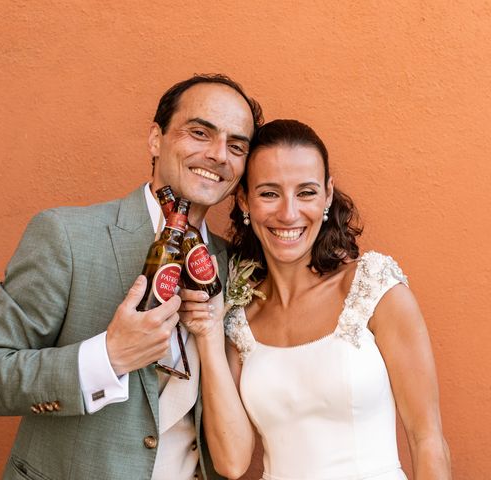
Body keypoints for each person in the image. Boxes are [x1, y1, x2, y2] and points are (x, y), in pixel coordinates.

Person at [0, 74, 263, 480]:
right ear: (156, 139)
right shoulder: (66, 235)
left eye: (236, 146)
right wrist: (108, 356)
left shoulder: (233, 264)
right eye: (200, 133)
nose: (219, 154)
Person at [179, 119, 451, 479]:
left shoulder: (374, 288)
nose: (289, 213)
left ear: (327, 193)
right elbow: (232, 462)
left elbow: (427, 438)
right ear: (244, 199)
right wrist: (209, 337)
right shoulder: (238, 317)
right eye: (269, 193)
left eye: (306, 192)